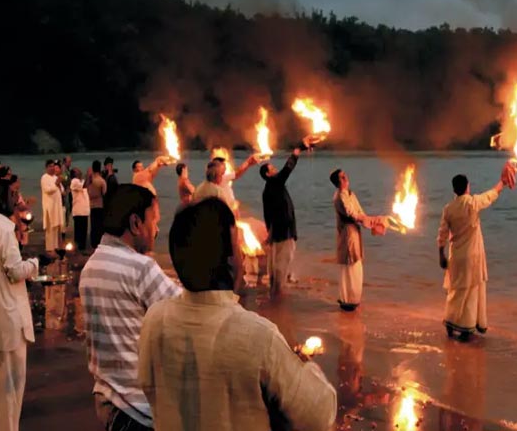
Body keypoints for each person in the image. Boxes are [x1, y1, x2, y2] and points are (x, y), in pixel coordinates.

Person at [138, 198, 337, 431]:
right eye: (237, 247)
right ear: (230, 261)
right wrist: (303, 364)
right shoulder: (259, 336)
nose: (244, 256)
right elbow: (320, 415)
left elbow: (148, 387)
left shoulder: (154, 320)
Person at [79, 184, 181, 431]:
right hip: (138, 409)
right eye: (154, 221)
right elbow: (190, 313)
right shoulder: (140, 268)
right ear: (135, 223)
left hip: (107, 401)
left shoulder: (91, 267)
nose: (156, 230)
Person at [0, 177, 45, 431]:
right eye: (12, 195)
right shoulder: (4, 230)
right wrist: (37, 263)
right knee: (12, 391)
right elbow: (15, 271)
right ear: (1, 199)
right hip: (9, 320)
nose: (17, 200)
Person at [436, 163, 516, 341]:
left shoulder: (448, 209)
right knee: (470, 292)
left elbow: (441, 234)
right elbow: (491, 195)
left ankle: (450, 322)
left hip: (455, 255)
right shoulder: (473, 203)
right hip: (472, 256)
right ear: (467, 187)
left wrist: (441, 254)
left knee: (456, 290)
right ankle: (465, 328)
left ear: (455, 190)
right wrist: (502, 182)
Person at [260, 137, 314, 295]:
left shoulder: (269, 188)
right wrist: (298, 150)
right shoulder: (274, 184)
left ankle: (275, 292)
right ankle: (277, 295)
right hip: (283, 231)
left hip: (279, 231)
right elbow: (288, 168)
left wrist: (270, 231)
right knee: (282, 262)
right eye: (272, 169)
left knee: (278, 263)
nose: (275, 169)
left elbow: (267, 214)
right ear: (268, 174)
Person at [330, 168, 381, 311]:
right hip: (347, 234)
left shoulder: (350, 194)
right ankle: (348, 301)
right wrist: (368, 220)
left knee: (356, 264)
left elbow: (359, 212)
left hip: (355, 232)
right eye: (342, 177)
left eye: (345, 175)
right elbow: (351, 213)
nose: (345, 177)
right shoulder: (339, 197)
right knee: (350, 266)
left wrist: (372, 221)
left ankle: (354, 299)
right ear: (337, 182)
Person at [41, 159, 65, 253]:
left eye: (53, 166)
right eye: (50, 166)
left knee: (56, 228)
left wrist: (58, 183)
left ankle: (55, 247)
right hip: (49, 207)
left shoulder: (55, 177)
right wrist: (56, 184)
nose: (52, 168)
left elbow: (62, 191)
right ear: (46, 168)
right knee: (50, 229)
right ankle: (49, 249)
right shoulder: (44, 177)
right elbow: (48, 190)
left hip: (57, 207)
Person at [87, 160, 107, 249]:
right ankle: (99, 242)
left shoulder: (90, 181)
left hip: (91, 205)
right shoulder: (101, 181)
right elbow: (104, 193)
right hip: (100, 205)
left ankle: (93, 243)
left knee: (93, 225)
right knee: (100, 225)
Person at [70, 168, 90, 252]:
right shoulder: (74, 181)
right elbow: (85, 185)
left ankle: (82, 249)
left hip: (83, 211)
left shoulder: (80, 181)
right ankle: (78, 249)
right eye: (78, 170)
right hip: (78, 211)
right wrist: (88, 175)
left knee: (83, 231)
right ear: (75, 174)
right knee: (79, 232)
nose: (80, 171)